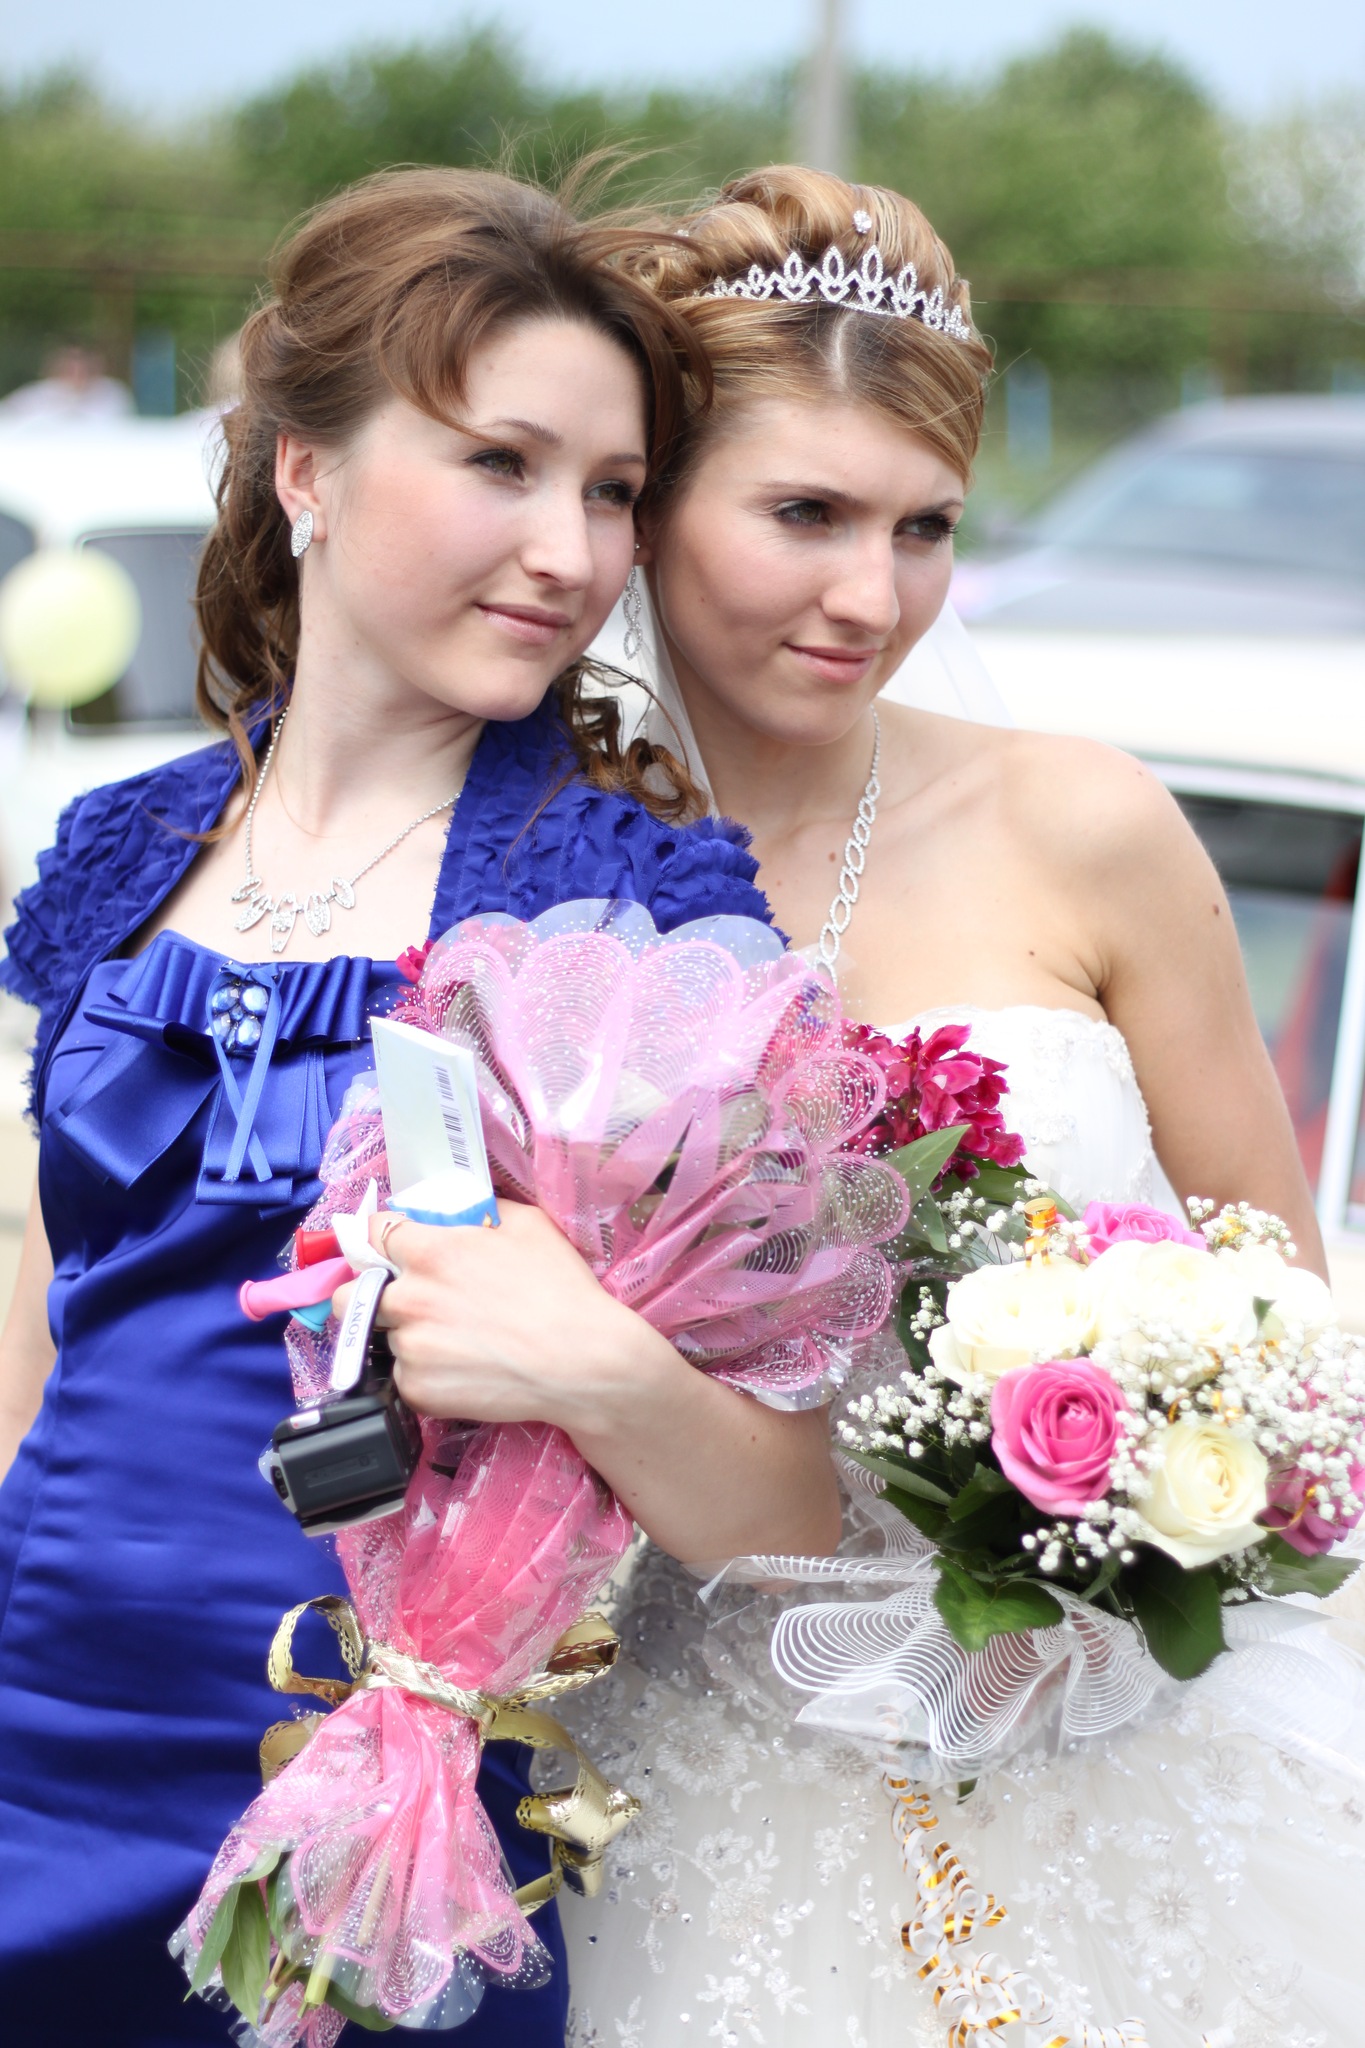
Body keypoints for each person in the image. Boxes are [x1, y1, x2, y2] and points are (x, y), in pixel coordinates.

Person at [0, 165, 839, 2048]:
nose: (567, 548)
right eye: (501, 464)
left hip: (374, 1793)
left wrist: (593, 1366)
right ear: (304, 467)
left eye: (610, 491)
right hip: (26, 1741)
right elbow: (35, 1316)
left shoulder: (637, 912)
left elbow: (789, 1511)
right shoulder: (119, 848)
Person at [531, 167, 1355, 2046]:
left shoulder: (1084, 824)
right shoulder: (536, 871)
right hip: (701, 1785)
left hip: (1113, 1756)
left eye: (925, 528)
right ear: (648, 505)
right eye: (805, 513)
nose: (872, 595)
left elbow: (1287, 1314)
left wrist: (1134, 1522)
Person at [0, 343, 134, 424]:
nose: (78, 373)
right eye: (71, 368)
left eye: (84, 366)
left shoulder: (112, 392)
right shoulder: (38, 393)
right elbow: (7, 414)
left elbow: (119, 425)